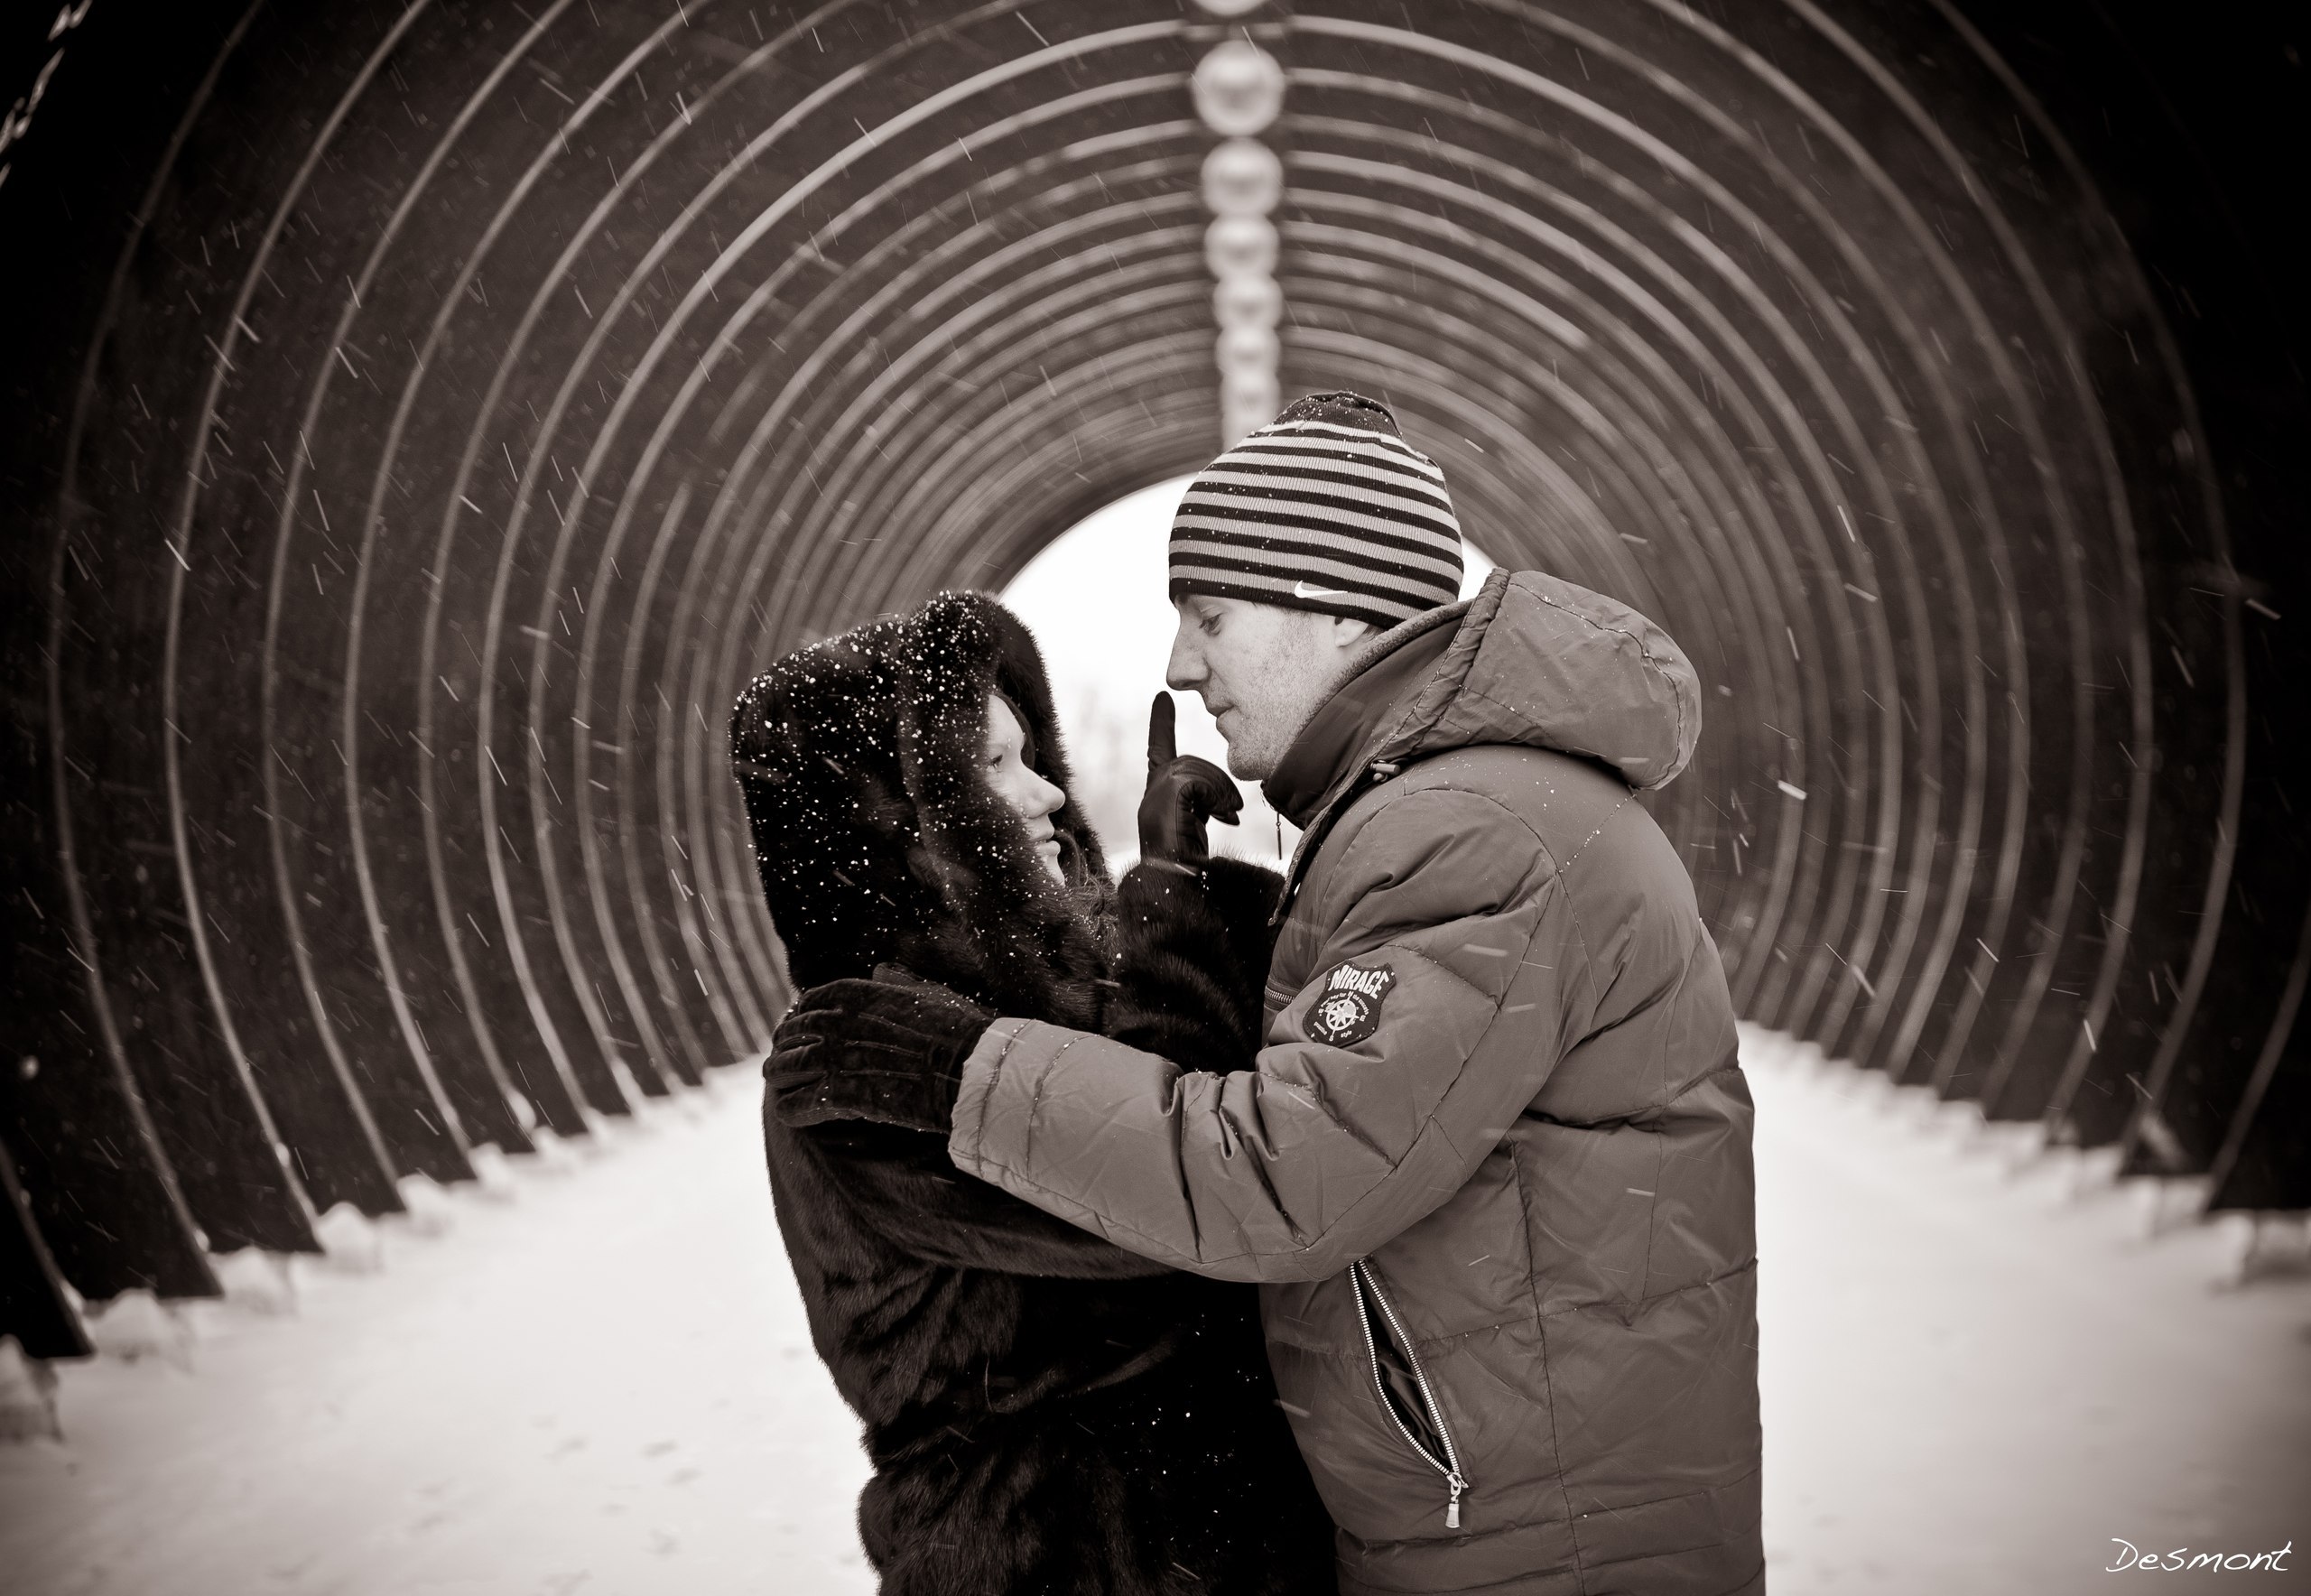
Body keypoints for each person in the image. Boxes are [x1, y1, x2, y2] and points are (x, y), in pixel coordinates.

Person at [768, 394, 1767, 1596]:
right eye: (988, 767)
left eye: (1212, 616)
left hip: (1538, 1545)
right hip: (1509, 1519)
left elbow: (1283, 1175)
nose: (1181, 665)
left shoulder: (1474, 830)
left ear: (1335, 603)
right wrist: (1188, 913)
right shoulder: (1443, 812)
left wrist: (964, 1069)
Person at [729, 588, 1338, 1596]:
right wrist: (1174, 907)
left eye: (1032, 755)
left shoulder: (1065, 994)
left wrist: (1214, 902)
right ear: (893, 817)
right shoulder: (861, 1057)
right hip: (1051, 1558)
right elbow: (1181, 1194)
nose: (1049, 793)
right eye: (989, 767)